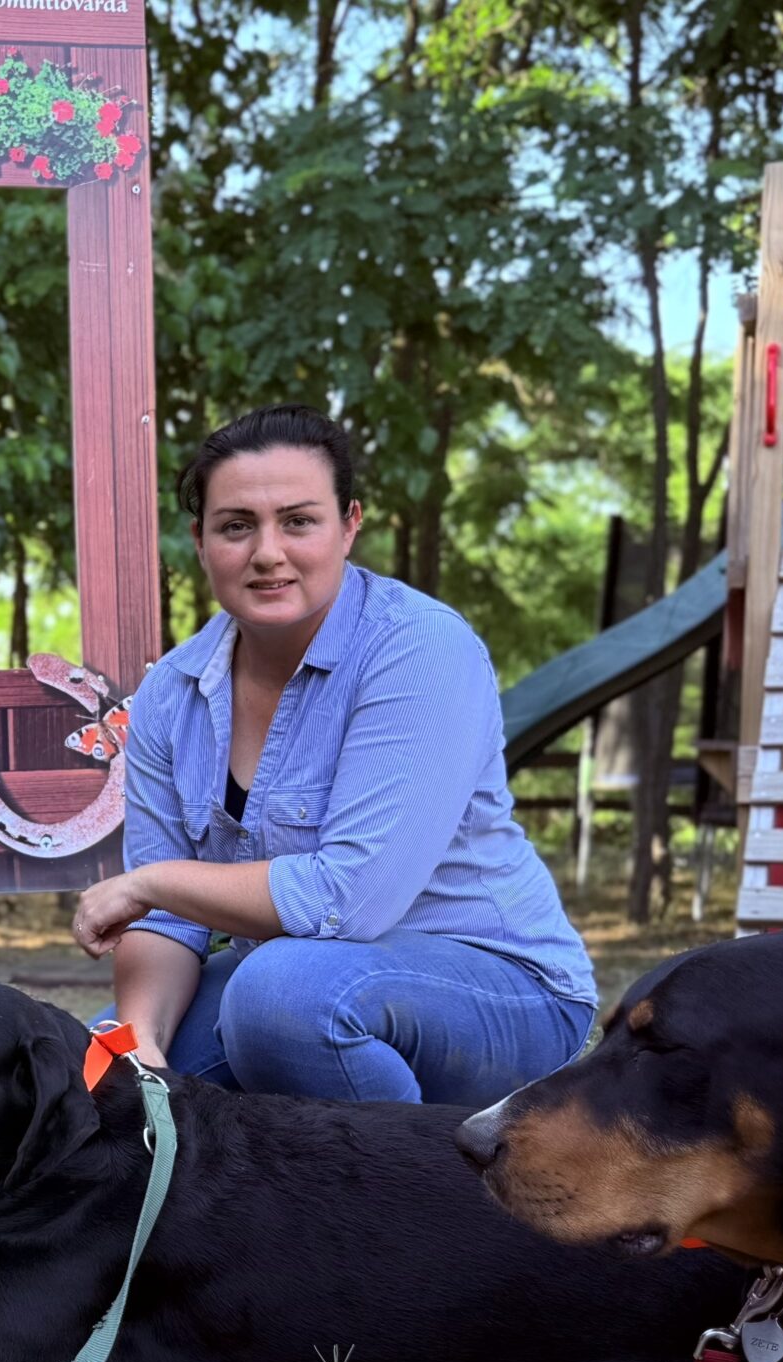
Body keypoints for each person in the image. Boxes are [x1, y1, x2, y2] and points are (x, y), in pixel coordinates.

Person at [71, 405, 595, 1107]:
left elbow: (350, 902)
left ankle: (423, 1174)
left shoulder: (418, 648)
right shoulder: (173, 692)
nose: (267, 552)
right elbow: (166, 921)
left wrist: (154, 882)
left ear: (349, 525)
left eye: (298, 521)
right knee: (94, 1068)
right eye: (236, 526)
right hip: (305, 983)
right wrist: (142, 1044)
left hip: (502, 988)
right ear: (199, 540)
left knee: (279, 1000)